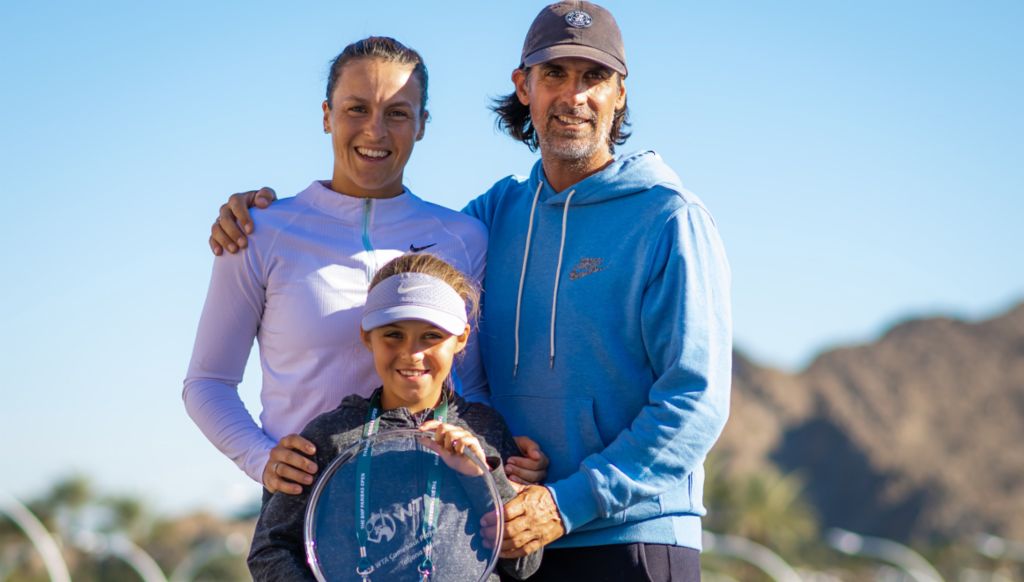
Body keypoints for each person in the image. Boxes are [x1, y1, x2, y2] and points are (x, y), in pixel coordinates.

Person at [212, 3, 732, 580]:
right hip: (505, 536)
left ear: (620, 93)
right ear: (523, 86)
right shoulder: (492, 216)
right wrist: (257, 214)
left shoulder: (668, 217)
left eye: (594, 76)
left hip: (628, 535)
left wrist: (567, 503)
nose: (574, 95)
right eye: (554, 73)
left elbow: (696, 401)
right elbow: (390, 252)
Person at [184, 36, 546, 501]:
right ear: (326, 115)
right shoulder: (258, 231)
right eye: (357, 108)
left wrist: (500, 454)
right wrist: (261, 458)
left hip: (435, 508)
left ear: (422, 125)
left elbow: (470, 387)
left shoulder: (464, 237)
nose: (375, 131)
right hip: (306, 507)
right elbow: (207, 382)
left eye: (397, 113)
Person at [248, 254, 540, 581]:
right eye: (393, 334)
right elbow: (270, 548)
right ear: (366, 335)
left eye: (431, 335)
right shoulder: (329, 436)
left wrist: (481, 477)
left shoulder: (484, 431)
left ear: (461, 338)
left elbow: (525, 563)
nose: (412, 353)